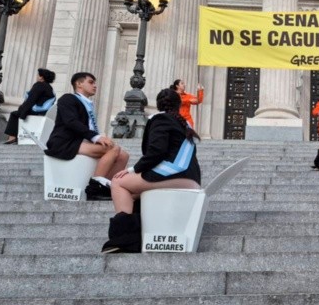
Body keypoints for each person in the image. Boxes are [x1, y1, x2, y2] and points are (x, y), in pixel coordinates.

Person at [103, 88, 202, 253]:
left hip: (173, 174)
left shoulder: (161, 119)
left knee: (118, 183)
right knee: (132, 194)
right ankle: (140, 233)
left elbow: (157, 151)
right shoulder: (183, 123)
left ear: (158, 105)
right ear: (179, 105)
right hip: (190, 178)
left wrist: (133, 169)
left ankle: (124, 240)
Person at [45, 72, 129, 201]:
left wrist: (99, 137)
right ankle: (94, 189)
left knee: (123, 155)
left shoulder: (88, 103)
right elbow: (71, 122)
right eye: (91, 82)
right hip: (65, 142)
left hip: (81, 142)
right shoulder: (68, 98)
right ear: (79, 84)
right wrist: (96, 137)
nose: (95, 86)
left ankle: (108, 187)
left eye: (95, 83)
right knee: (113, 149)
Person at [4, 68, 56, 144]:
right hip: (43, 112)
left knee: (14, 114)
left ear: (41, 77)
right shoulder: (50, 88)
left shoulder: (39, 85)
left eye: (38, 75)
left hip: (35, 111)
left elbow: (31, 100)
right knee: (18, 113)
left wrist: (22, 113)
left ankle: (12, 137)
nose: (37, 76)